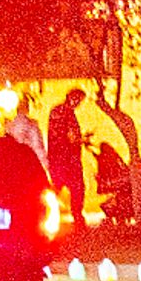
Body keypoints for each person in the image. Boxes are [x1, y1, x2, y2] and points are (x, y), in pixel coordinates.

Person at [45, 91, 85, 228]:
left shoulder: (60, 111)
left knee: (60, 188)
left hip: (60, 158)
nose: (79, 103)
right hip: (66, 159)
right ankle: (77, 216)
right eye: (79, 100)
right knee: (76, 188)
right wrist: (80, 140)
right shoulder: (64, 112)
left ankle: (47, 212)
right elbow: (67, 137)